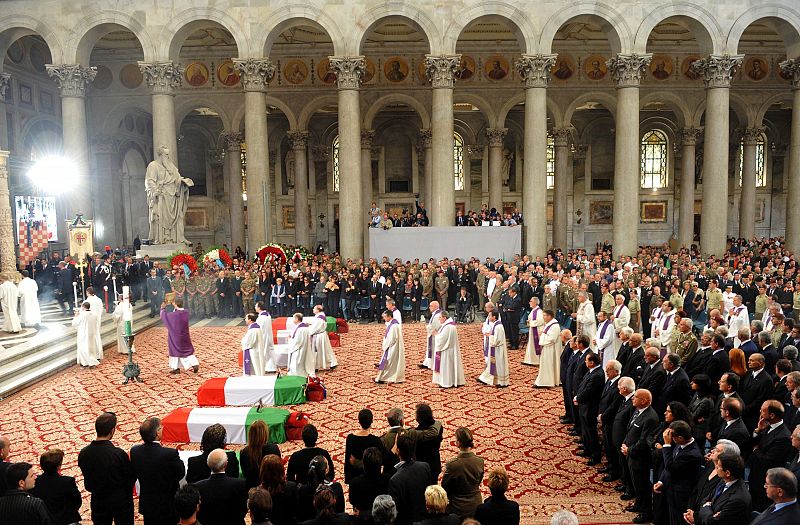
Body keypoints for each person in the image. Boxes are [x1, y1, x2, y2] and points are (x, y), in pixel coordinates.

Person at [78, 412, 135, 525]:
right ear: (112, 430)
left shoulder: (84, 453)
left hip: (98, 499)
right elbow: (130, 477)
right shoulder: (118, 454)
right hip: (121, 500)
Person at [130, 417, 185, 525]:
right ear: (157, 433)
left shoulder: (135, 451)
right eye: (161, 428)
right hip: (168, 505)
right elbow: (180, 473)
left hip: (148, 504)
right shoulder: (170, 453)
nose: (163, 429)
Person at [748, 400, 795, 511]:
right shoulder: (767, 426)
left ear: (772, 415)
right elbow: (751, 443)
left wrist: (755, 450)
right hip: (755, 476)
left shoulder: (783, 436)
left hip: (765, 482)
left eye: (763, 411)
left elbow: (766, 461)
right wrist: (758, 431)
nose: (760, 412)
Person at [622, 389, 660, 524]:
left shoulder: (650, 417)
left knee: (642, 485)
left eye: (636, 397)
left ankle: (646, 512)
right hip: (632, 455)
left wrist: (629, 450)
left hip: (640, 458)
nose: (633, 398)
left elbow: (644, 441)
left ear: (644, 401)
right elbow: (632, 430)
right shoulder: (638, 411)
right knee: (636, 483)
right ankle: (638, 504)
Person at [654, 420, 703, 525]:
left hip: (681, 497)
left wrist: (666, 445)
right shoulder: (681, 444)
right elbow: (670, 463)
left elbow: (670, 466)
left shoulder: (692, 454)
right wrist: (661, 481)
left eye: (672, 437)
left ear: (680, 438)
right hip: (671, 490)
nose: (670, 439)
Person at [683, 452, 751, 525]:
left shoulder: (738, 499)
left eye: (718, 466)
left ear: (727, 473)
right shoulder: (723, 481)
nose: (715, 468)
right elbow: (704, 500)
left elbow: (713, 522)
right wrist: (697, 515)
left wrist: (707, 506)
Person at [145, 144, 193, 244]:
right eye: (166, 155)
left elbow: (177, 178)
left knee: (179, 216)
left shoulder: (171, 166)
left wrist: (184, 182)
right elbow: (149, 181)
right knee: (160, 218)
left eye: (168, 155)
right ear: (160, 155)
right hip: (162, 197)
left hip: (173, 197)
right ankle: (162, 239)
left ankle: (179, 238)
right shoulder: (153, 166)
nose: (168, 157)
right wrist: (156, 190)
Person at [194, 449, 248, 525]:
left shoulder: (197, 486)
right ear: (226, 464)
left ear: (208, 464)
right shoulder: (240, 484)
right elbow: (243, 509)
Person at [30, 448, 82, 525]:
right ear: (58, 467)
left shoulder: (34, 481)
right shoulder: (67, 481)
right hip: (66, 520)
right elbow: (77, 501)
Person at [441, 427, 484, 519]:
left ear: (458, 443)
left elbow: (445, 486)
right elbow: (479, 481)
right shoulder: (480, 461)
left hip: (457, 507)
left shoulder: (452, 464)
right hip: (476, 504)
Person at [389, 433, 431, 525]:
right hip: (425, 518)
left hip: (407, 521)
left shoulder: (394, 480)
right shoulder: (425, 467)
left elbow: (396, 509)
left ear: (398, 451)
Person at [574, 351, 605, 465]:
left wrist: (578, 398)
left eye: (587, 360)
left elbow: (589, 391)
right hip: (584, 405)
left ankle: (595, 455)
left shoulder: (597, 375)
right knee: (586, 430)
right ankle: (587, 449)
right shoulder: (592, 371)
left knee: (591, 432)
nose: (585, 362)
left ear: (592, 362)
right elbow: (583, 386)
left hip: (590, 407)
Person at [296, 456, 345, 522]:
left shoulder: (303, 490)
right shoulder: (336, 487)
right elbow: (341, 510)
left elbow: (301, 514)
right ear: (326, 470)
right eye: (327, 465)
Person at [344, 408, 383, 484]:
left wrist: (348, 479)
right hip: (372, 477)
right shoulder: (375, 440)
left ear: (359, 421)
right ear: (372, 421)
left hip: (355, 477)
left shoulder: (350, 438)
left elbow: (348, 460)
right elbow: (381, 461)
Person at [161, 296, 200, 374]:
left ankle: (176, 368)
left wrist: (162, 309)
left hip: (175, 336)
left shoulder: (174, 315)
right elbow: (177, 310)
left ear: (175, 304)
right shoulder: (185, 312)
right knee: (186, 350)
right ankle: (194, 364)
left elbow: (164, 317)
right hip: (185, 335)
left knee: (175, 351)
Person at [349, 446, 390, 518]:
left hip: (363, 519)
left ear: (364, 465)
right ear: (381, 465)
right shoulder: (388, 479)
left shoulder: (355, 482)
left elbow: (352, 501)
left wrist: (362, 514)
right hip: (383, 518)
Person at [259, 454, 300, 525]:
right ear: (281, 469)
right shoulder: (291, 486)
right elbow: (296, 510)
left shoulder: (258, 493)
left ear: (262, 471)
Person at [433, 311, 464, 388]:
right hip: (450, 349)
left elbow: (442, 340)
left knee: (446, 366)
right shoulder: (448, 325)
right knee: (450, 366)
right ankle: (452, 380)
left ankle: (446, 382)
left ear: (444, 317)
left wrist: (436, 334)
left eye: (440, 317)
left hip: (447, 350)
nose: (439, 319)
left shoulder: (448, 327)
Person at [478, 310, 509, 387]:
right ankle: (487, 379)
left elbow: (497, 341)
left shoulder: (498, 327)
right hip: (495, 349)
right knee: (491, 364)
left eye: (490, 316)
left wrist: (489, 336)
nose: (488, 317)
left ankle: (501, 382)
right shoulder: (495, 324)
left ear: (494, 317)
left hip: (498, 349)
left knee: (498, 364)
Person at [376, 309, 405, 384]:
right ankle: (392, 377)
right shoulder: (392, 324)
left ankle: (385, 377)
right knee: (391, 362)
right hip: (392, 346)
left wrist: (386, 345)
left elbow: (392, 339)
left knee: (389, 362)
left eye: (385, 317)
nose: (384, 319)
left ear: (389, 316)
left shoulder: (394, 326)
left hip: (393, 347)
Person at [535, 309, 562, 387]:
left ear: (550, 316)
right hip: (547, 348)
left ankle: (548, 381)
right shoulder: (549, 324)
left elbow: (552, 339)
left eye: (545, 315)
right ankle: (545, 380)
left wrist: (542, 335)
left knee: (549, 364)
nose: (543, 317)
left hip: (551, 348)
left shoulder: (555, 325)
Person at [73, 301, 100, 367]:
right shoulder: (94, 314)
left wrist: (76, 316)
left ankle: (88, 362)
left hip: (83, 334)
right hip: (91, 333)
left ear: (83, 307)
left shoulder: (82, 315)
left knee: (83, 349)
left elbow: (74, 323)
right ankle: (87, 361)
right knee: (91, 348)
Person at [311, 305, 338, 371]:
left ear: (318, 310)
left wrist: (308, 331)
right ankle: (330, 364)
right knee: (325, 350)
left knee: (319, 351)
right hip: (321, 335)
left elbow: (315, 328)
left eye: (314, 308)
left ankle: (319, 366)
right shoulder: (320, 316)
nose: (313, 309)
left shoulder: (319, 318)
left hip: (319, 336)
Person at [288, 312, 315, 378]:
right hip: (303, 347)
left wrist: (290, 341)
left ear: (297, 319)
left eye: (293, 318)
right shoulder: (303, 327)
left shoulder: (300, 329)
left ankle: (299, 376)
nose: (293, 320)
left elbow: (297, 341)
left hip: (299, 349)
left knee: (296, 364)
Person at [256, 301, 278, 373]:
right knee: (270, 351)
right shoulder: (267, 315)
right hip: (268, 335)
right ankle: (272, 367)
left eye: (256, 306)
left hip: (263, 336)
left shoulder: (261, 318)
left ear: (259, 308)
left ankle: (265, 367)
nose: (255, 308)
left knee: (264, 352)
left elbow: (259, 329)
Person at [421, 301, 443, 369]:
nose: (429, 307)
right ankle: (427, 363)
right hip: (432, 334)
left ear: (436, 307)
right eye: (430, 306)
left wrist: (429, 328)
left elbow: (435, 327)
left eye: (431, 306)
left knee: (433, 349)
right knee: (430, 349)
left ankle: (432, 364)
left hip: (434, 335)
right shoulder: (435, 313)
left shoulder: (437, 315)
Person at [523, 297, 545, 365]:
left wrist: (530, 323)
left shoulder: (539, 311)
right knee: (531, 345)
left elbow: (540, 321)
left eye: (531, 301)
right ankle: (530, 360)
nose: (529, 302)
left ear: (535, 302)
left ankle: (535, 361)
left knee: (535, 346)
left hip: (537, 330)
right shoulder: (534, 310)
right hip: (533, 329)